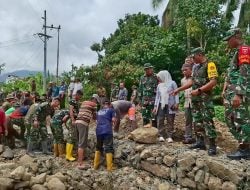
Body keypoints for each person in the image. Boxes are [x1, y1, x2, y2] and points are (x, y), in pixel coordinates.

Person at [173, 47, 218, 156]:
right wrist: (179, 89)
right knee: (197, 121)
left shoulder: (210, 65)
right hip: (196, 99)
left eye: (193, 57)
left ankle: (212, 145)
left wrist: (199, 90)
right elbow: (192, 81)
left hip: (205, 99)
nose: (192, 59)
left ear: (199, 55)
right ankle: (200, 142)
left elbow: (213, 82)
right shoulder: (196, 67)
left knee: (207, 121)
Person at [223, 28, 250, 160]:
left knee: (241, 119)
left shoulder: (244, 50)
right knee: (231, 118)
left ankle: (245, 149)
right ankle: (244, 146)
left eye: (228, 39)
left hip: (240, 92)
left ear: (235, 37)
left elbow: (244, 71)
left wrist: (238, 94)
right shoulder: (237, 52)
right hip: (233, 91)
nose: (227, 42)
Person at [153, 71, 179, 143]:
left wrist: (177, 103)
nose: (159, 79)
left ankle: (170, 136)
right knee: (160, 119)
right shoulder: (159, 85)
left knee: (170, 119)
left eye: (159, 77)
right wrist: (155, 106)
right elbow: (157, 96)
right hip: (161, 104)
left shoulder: (172, 83)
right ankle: (161, 135)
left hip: (170, 104)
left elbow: (176, 93)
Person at [75, 95, 97, 169]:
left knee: (79, 142)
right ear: (94, 100)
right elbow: (94, 117)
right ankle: (80, 164)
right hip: (83, 123)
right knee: (82, 143)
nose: (96, 102)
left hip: (77, 122)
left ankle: (81, 158)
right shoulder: (94, 105)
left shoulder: (83, 102)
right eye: (96, 101)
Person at [93, 99, 116, 171]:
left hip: (98, 130)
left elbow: (96, 120)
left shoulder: (99, 112)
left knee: (98, 147)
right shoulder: (111, 110)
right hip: (107, 130)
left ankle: (95, 165)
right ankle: (109, 167)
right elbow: (113, 120)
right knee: (108, 147)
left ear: (103, 105)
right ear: (109, 105)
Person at [66, 90, 83, 161]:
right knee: (71, 137)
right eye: (80, 96)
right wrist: (73, 119)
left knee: (73, 137)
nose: (80, 98)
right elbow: (71, 110)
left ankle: (70, 154)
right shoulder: (72, 101)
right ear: (77, 95)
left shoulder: (77, 102)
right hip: (72, 120)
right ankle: (68, 155)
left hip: (75, 120)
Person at [181, 63, 194, 144]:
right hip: (186, 102)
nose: (184, 72)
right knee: (187, 121)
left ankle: (200, 137)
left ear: (191, 70)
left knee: (197, 120)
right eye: (183, 70)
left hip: (195, 101)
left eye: (186, 70)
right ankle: (188, 137)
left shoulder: (195, 77)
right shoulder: (183, 80)